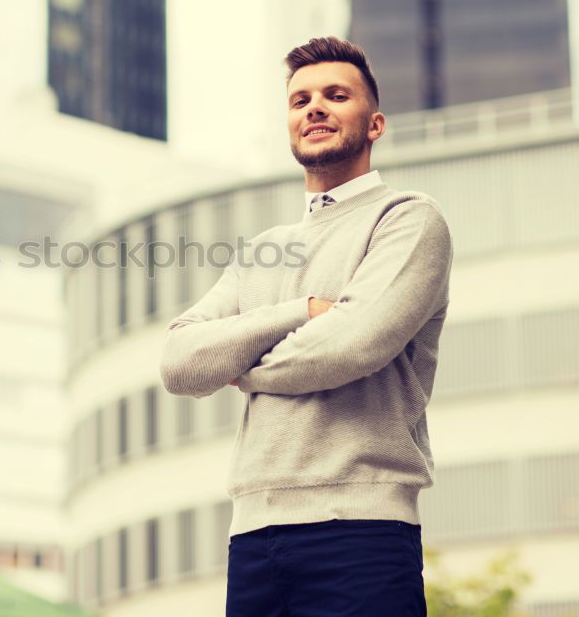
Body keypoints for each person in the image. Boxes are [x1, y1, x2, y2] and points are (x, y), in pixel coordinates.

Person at [159, 36, 453, 616]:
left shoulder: (407, 220)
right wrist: (301, 312)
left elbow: (348, 347)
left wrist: (242, 366)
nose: (314, 108)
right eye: (300, 100)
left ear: (375, 124)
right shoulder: (262, 251)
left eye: (335, 95)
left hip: (362, 531)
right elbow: (179, 363)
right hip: (253, 537)